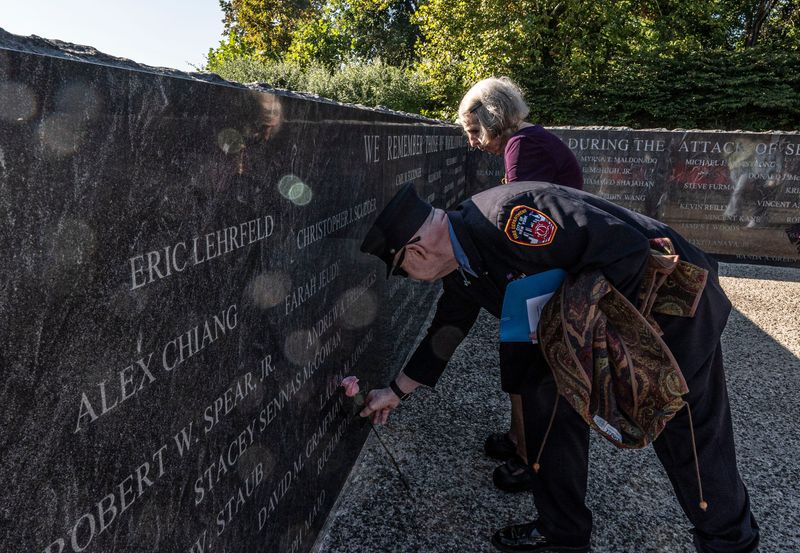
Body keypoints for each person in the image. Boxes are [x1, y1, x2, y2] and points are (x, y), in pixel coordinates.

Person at [358, 182, 759, 553]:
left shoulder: (511, 218)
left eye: (406, 272)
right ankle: (563, 533)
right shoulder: (463, 257)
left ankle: (730, 542)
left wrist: (585, 338)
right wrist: (394, 392)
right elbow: (447, 329)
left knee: (688, 435)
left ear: (417, 252)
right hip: (576, 338)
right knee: (546, 415)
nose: (415, 280)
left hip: (670, 315)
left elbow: (626, 251)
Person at [457, 76, 584, 492]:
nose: (474, 142)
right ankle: (518, 440)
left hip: (540, 275)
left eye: (474, 131)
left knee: (525, 369)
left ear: (492, 116)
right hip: (541, 270)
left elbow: (521, 222)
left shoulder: (522, 146)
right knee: (516, 365)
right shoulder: (529, 142)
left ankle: (531, 460)